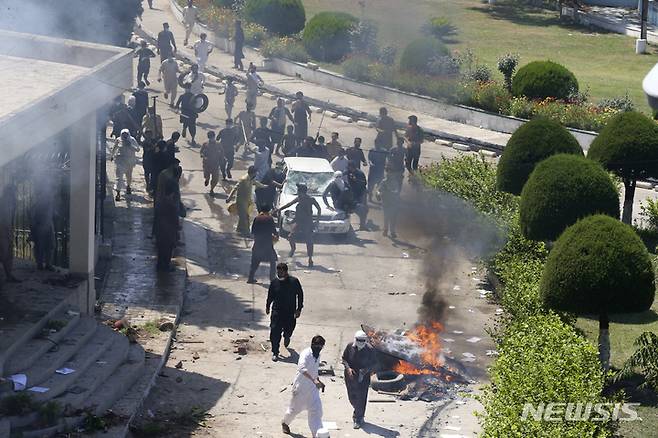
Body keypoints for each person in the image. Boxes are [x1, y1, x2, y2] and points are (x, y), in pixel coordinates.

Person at [282, 335, 326, 437]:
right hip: (301, 388)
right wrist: (314, 380)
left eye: (321, 347)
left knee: (316, 411)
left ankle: (317, 434)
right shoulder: (306, 354)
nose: (319, 349)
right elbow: (302, 369)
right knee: (294, 410)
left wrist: (318, 380)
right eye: (318, 346)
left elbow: (314, 371)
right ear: (312, 345)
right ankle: (285, 423)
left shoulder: (318, 356)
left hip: (312, 389)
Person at [277, 184, 320, 267]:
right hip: (299, 222)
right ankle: (293, 249)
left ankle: (310, 259)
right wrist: (279, 209)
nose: (298, 193)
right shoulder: (299, 198)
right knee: (290, 236)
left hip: (307, 223)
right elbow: (289, 204)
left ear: (303, 192)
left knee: (309, 241)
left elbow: (319, 209)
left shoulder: (311, 199)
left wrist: (317, 221)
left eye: (299, 191)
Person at [267, 262, 304, 359]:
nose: (279, 274)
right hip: (277, 311)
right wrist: (267, 306)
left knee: (290, 328)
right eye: (278, 272)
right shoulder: (274, 282)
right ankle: (275, 351)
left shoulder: (294, 282)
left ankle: (287, 336)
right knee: (274, 331)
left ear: (286, 272)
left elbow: (300, 295)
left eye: (281, 272)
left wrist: (299, 308)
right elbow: (270, 296)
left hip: (290, 311)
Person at [342, 330, 378, 429]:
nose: (360, 342)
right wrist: (348, 369)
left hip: (363, 378)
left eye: (362, 340)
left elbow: (375, 364)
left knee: (361, 398)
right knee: (352, 397)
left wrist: (366, 370)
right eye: (358, 340)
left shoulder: (370, 350)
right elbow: (344, 359)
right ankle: (358, 411)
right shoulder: (350, 347)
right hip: (351, 377)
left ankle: (358, 417)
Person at [154, 164, 181, 271]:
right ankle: (164, 266)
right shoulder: (169, 203)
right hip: (167, 230)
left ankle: (161, 265)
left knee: (162, 248)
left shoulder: (162, 201)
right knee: (167, 248)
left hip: (161, 229)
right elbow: (174, 215)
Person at [226, 166, 267, 235]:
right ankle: (246, 232)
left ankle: (239, 230)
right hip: (241, 201)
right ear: (253, 173)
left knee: (244, 217)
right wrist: (229, 198)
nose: (256, 174)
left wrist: (264, 186)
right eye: (255, 173)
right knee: (244, 218)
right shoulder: (243, 179)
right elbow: (235, 188)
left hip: (247, 201)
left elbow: (256, 183)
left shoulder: (251, 178)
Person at [248, 205, 279, 284]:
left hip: (257, 244)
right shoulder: (269, 219)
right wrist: (275, 236)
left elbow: (253, 232)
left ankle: (250, 278)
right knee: (273, 260)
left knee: (255, 262)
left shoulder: (256, 218)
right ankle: (272, 278)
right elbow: (274, 231)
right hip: (267, 245)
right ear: (268, 211)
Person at [30, 184, 56, 271]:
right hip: (41, 226)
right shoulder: (40, 200)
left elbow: (51, 212)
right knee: (40, 246)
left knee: (50, 246)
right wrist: (34, 227)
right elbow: (33, 214)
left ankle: (48, 264)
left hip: (49, 225)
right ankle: (40, 264)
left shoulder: (50, 201)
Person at [112, 129, 140, 201]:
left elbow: (138, 149)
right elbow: (114, 148)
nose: (124, 136)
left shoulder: (132, 140)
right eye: (123, 135)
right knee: (119, 177)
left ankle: (128, 186)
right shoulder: (118, 140)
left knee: (128, 176)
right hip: (120, 160)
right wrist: (112, 156)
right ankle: (118, 193)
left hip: (129, 161)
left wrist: (130, 145)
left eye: (126, 135)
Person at [378, 165, 401, 238]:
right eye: (387, 172)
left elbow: (396, 190)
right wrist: (378, 194)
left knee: (393, 217)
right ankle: (385, 230)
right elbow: (379, 189)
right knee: (386, 216)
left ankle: (392, 231)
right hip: (385, 201)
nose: (388, 174)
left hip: (393, 202)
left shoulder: (395, 182)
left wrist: (390, 191)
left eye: (390, 172)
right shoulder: (383, 181)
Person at [346, 161, 369, 230]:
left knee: (363, 210)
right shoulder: (349, 172)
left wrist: (356, 180)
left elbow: (364, 183)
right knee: (351, 208)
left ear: (352, 167)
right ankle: (348, 224)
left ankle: (362, 225)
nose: (348, 168)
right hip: (353, 193)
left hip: (361, 194)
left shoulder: (360, 173)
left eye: (349, 167)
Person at [200, 131, 223, 195]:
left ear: (214, 136)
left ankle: (212, 189)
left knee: (215, 179)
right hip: (207, 164)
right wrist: (203, 156)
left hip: (215, 164)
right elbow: (201, 152)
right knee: (207, 175)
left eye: (212, 137)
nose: (211, 138)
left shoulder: (218, 144)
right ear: (208, 137)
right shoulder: (205, 144)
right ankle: (207, 179)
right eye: (210, 137)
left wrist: (222, 160)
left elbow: (222, 152)